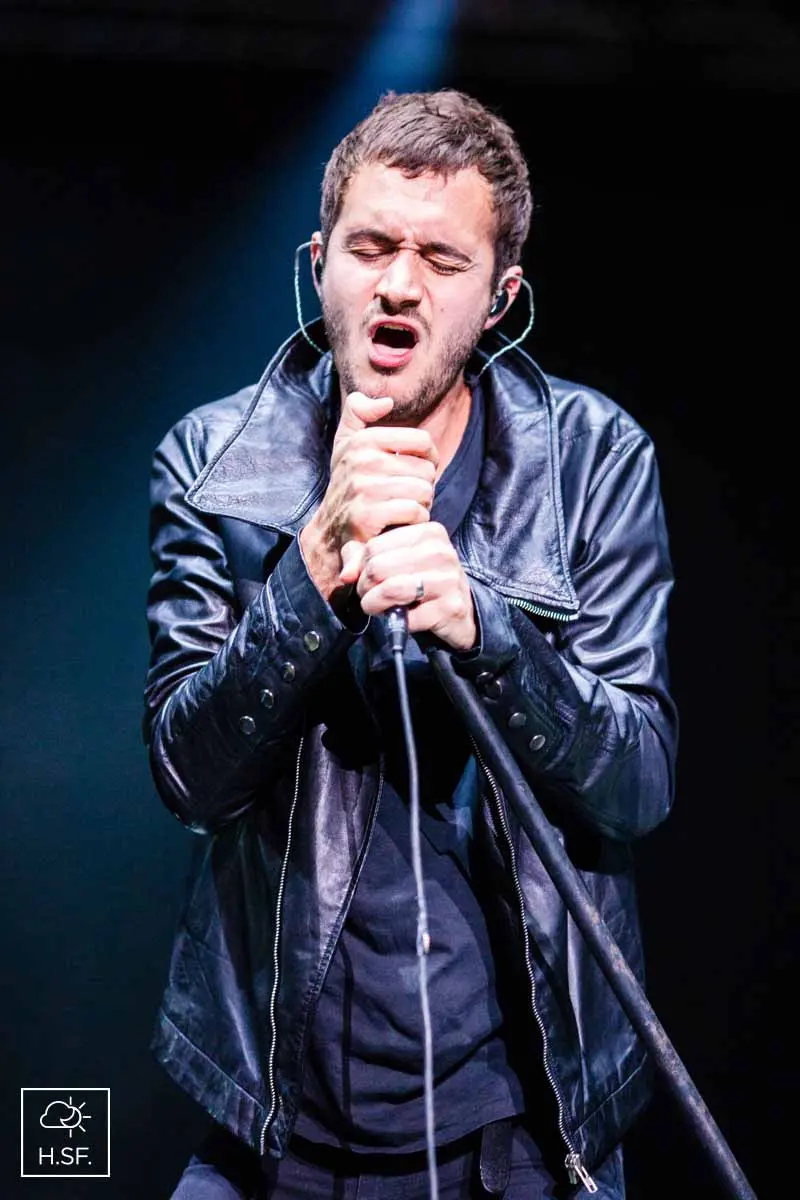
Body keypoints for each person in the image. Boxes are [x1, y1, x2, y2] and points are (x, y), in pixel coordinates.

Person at [144, 90, 677, 1200]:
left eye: (441, 258)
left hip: (523, 1135)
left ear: (500, 297)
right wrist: (311, 576)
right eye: (370, 247)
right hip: (276, 1131)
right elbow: (188, 775)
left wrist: (490, 629)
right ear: (319, 266)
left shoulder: (592, 461)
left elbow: (635, 784)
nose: (397, 284)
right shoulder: (214, 461)